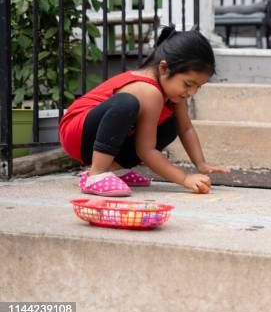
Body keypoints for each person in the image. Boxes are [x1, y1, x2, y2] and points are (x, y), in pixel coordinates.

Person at [59, 26, 228, 197]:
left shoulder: (174, 94)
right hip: (77, 132)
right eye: (188, 84)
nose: (191, 93)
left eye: (198, 87)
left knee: (171, 125)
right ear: (164, 68)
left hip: (100, 137)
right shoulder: (149, 90)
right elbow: (146, 150)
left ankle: (116, 168)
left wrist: (201, 164)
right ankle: (96, 175)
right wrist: (184, 179)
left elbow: (186, 128)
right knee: (126, 103)